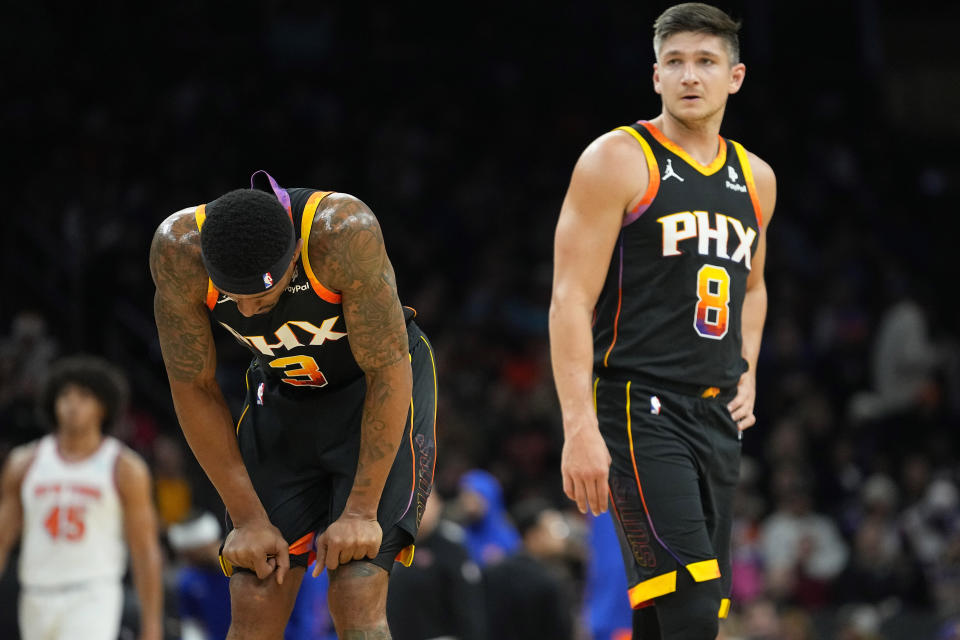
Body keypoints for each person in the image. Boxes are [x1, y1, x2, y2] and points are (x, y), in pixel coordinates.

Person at [549, 3, 776, 638]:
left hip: (714, 415)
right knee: (694, 606)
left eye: (706, 62)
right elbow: (569, 299)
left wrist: (749, 370)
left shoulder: (757, 178)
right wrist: (577, 426)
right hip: (636, 404)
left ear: (735, 76)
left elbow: (753, 289)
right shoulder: (618, 158)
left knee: (666, 612)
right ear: (655, 76)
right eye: (674, 62)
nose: (689, 76)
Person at [149, 170, 438, 638]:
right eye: (232, 298)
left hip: (375, 388)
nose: (244, 313)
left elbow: (387, 367)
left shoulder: (342, 233)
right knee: (254, 594)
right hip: (284, 391)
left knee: (356, 591)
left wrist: (361, 513)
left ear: (294, 259)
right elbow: (193, 386)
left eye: (259, 296)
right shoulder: (178, 250)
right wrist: (246, 520)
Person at [0, 355, 164, 640]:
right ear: (52, 402)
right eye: (65, 395)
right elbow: (2, 538)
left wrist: (152, 625)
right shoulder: (24, 462)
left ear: (104, 406)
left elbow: (145, 551)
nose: (72, 404)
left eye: (84, 396)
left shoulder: (124, 467)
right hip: (35, 593)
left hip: (92, 594)